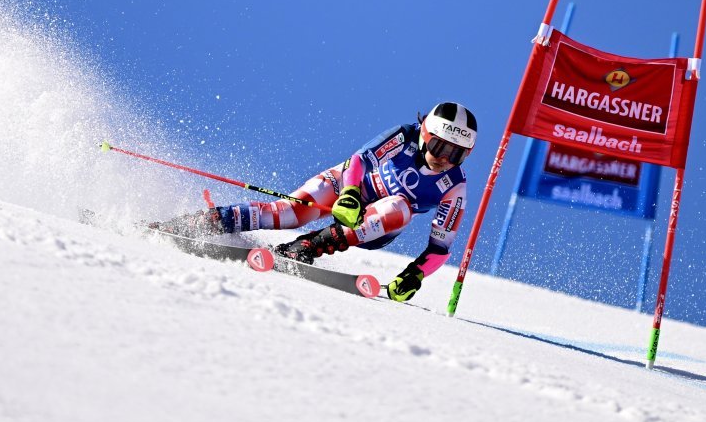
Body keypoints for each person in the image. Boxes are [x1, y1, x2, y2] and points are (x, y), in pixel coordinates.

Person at [153, 102, 477, 302]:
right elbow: (360, 160)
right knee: (291, 213)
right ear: (424, 134)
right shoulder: (404, 136)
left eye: (457, 154)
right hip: (349, 185)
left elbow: (439, 248)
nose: (445, 159)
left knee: (398, 209)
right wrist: (350, 193)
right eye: (439, 147)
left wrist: (415, 274)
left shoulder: (454, 187)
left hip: (375, 224)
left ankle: (307, 247)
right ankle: (205, 222)